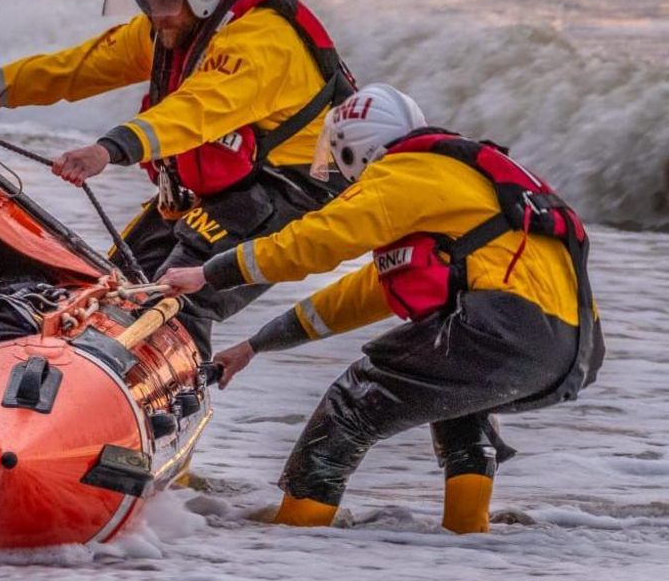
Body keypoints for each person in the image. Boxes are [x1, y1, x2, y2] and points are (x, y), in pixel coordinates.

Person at [158, 84, 604, 533]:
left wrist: (210, 273)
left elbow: (318, 239)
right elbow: (365, 292)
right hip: (569, 351)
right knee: (454, 401)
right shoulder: (454, 182)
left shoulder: (407, 171)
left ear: (355, 150)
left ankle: (295, 531)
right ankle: (468, 532)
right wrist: (256, 345)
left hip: (505, 327)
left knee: (352, 404)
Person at [0, 0, 354, 356]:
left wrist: (107, 150)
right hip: (233, 184)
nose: (156, 17)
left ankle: (161, 402)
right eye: (146, 3)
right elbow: (73, 69)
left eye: (165, 4)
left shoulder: (260, 43)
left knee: (177, 297)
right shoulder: (173, 25)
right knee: (107, 285)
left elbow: (190, 113)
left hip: (295, 189)